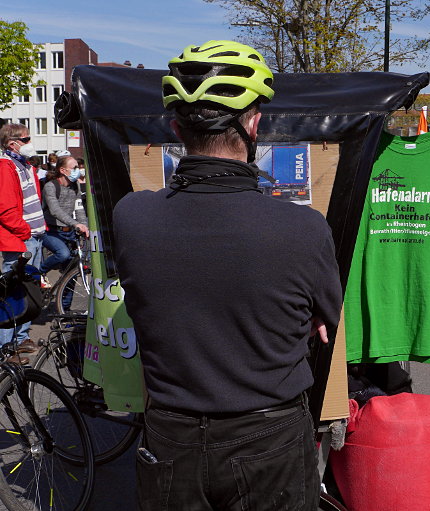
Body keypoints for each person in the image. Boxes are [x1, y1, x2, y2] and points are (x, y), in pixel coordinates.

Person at [112, 40, 343, 511]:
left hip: (170, 435)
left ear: (177, 127)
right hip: (269, 434)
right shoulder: (302, 227)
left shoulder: (132, 215)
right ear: (254, 123)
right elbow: (326, 321)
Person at [0, 123, 46, 363]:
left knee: (28, 291)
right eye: (26, 139)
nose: (30, 143)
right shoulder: (6, 168)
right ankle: (6, 348)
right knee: (13, 295)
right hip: (21, 239)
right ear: (12, 143)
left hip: (33, 237)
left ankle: (20, 339)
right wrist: (26, 232)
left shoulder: (25, 166)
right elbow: (5, 209)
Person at [40, 155, 89, 274]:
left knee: (71, 268)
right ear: (63, 170)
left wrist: (84, 225)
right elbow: (55, 210)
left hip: (69, 232)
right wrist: (75, 223)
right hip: (51, 231)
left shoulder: (75, 186)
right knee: (63, 254)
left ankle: (65, 292)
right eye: (74, 168)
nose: (78, 170)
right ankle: (39, 272)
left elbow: (79, 208)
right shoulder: (50, 186)